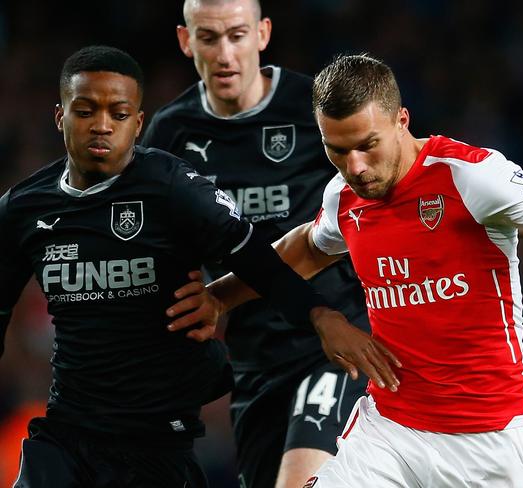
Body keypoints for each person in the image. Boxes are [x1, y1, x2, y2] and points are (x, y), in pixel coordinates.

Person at [170, 54, 523, 487]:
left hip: (494, 441)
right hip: (392, 429)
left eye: (366, 145)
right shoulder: (345, 195)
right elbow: (307, 248)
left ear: (402, 120)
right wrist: (219, 297)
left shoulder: (470, 175)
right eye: (336, 150)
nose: (354, 166)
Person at [0, 46, 399, 488]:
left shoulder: (173, 186)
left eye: (118, 113)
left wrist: (320, 315)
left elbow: (256, 260)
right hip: (68, 429)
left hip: (155, 438)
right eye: (85, 110)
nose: (101, 125)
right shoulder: (22, 208)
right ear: (60, 116)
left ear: (137, 122)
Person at [140, 1, 376, 486]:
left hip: (335, 339)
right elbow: (161, 253)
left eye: (237, 35)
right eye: (209, 39)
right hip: (253, 360)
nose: (225, 54)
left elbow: (381, 179)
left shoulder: (314, 107)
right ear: (187, 41)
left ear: (263, 34)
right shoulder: (170, 134)